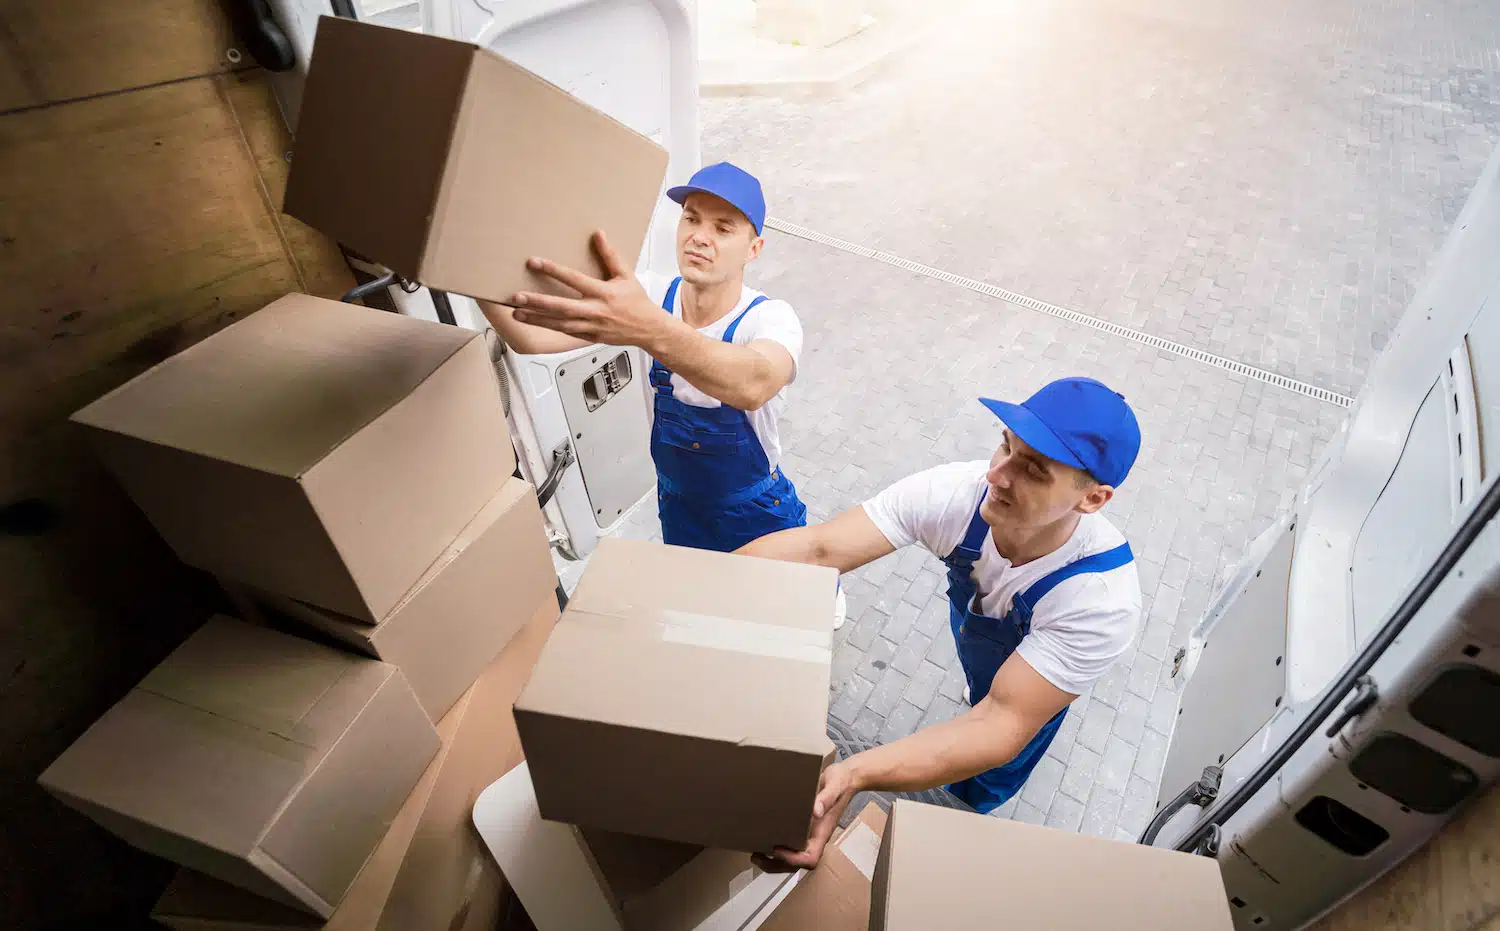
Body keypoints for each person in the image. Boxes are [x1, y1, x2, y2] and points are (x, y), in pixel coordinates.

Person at [737, 377, 1144, 869]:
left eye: (1033, 470)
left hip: (1026, 688)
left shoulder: (1099, 601)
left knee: (991, 766)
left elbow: (1002, 722)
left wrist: (854, 774)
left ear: (1093, 500)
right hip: (984, 643)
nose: (998, 474)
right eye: (1005, 445)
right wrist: (683, 593)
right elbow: (818, 549)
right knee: (985, 690)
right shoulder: (955, 495)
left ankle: (965, 811)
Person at [477, 162, 812, 557]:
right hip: (679, 510)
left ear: (753, 249)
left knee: (778, 610)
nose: (700, 238)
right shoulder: (651, 296)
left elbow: (754, 383)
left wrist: (647, 328)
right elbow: (529, 336)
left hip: (755, 517)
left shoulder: (769, 318)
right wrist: (467, 273)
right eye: (692, 219)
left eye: (723, 229)